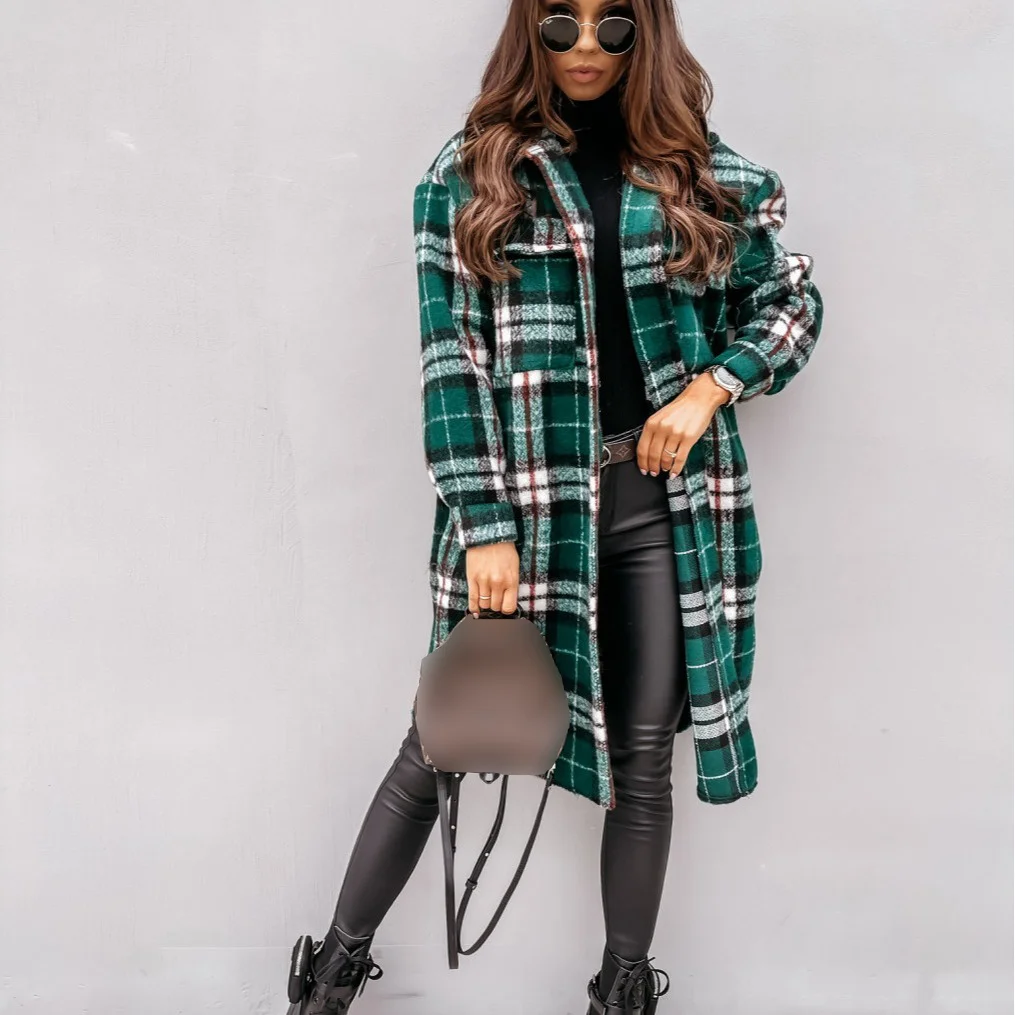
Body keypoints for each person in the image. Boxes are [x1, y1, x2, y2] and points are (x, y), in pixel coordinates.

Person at [284, 0, 823, 1012]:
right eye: (559, 24)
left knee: (644, 761)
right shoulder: (473, 172)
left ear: (644, 33)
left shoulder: (702, 172)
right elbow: (451, 365)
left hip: (666, 509)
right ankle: (327, 983)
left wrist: (711, 389)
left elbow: (790, 299)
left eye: (611, 26)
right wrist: (482, 524)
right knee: (438, 744)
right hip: (526, 512)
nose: (584, 46)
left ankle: (622, 991)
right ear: (527, 32)